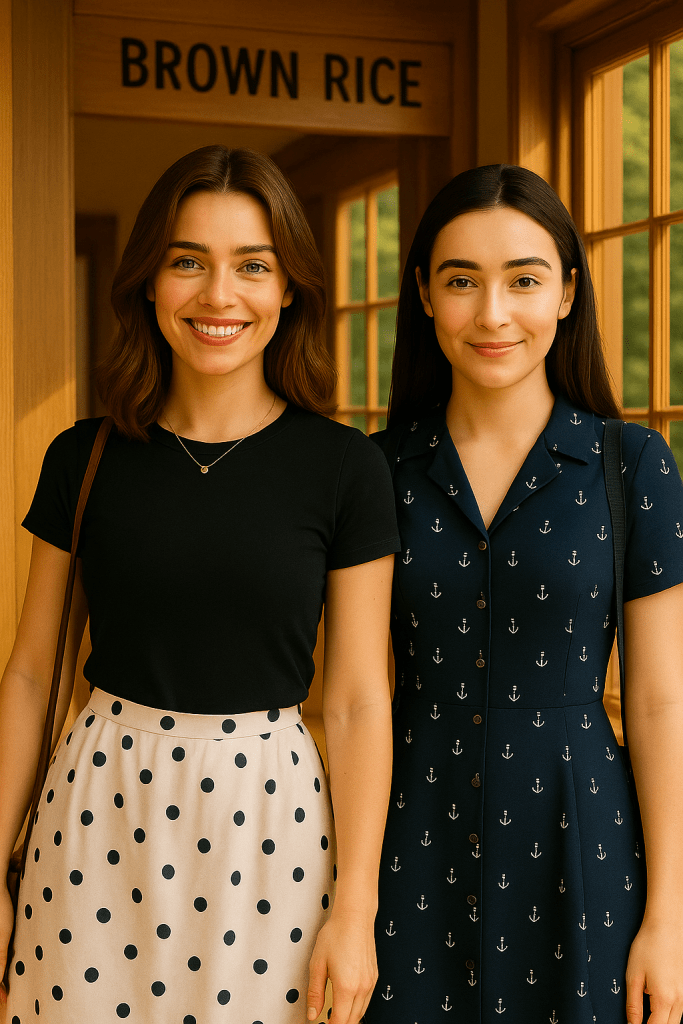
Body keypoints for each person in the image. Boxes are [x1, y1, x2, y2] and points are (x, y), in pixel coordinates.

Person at [0, 145, 399, 1024]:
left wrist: (356, 908)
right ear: (148, 281)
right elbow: (30, 674)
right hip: (97, 811)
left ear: (288, 288)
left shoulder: (344, 467)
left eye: (252, 266)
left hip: (274, 826)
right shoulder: (85, 455)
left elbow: (362, 699)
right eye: (188, 262)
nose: (220, 296)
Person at [365, 164, 683, 1024]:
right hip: (404, 840)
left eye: (524, 279)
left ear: (568, 292)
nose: (493, 313)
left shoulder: (632, 464)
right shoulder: (376, 469)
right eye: (460, 280)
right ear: (425, 296)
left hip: (581, 840)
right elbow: (352, 692)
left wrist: (671, 915)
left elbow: (657, 703)